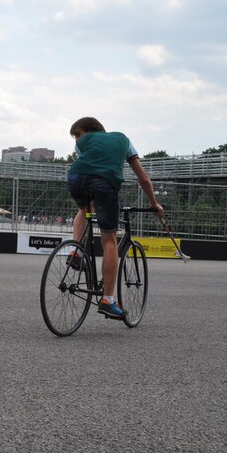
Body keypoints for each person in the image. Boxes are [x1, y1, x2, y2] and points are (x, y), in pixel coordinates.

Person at [67, 117, 164, 319]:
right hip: (105, 183)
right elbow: (143, 178)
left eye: (77, 134)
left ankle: (74, 251)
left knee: (85, 207)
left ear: (90, 130)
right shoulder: (124, 141)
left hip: (75, 177)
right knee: (109, 239)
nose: (76, 140)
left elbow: (87, 167)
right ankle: (107, 300)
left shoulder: (83, 144)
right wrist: (154, 203)